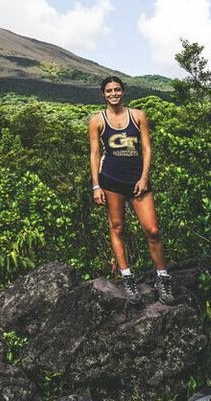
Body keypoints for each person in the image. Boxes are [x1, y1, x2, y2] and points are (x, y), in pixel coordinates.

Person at [88, 76, 173, 304]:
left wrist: (144, 178)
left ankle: (163, 278)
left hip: (137, 181)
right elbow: (95, 154)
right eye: (109, 91)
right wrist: (96, 185)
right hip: (111, 180)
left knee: (153, 230)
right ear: (103, 95)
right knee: (117, 228)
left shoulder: (138, 116)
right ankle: (127, 278)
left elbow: (146, 148)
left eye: (117, 89)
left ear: (123, 92)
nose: (113, 93)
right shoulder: (97, 120)